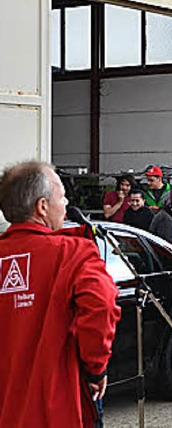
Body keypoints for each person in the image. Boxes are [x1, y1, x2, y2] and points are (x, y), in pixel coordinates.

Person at [0, 161, 121, 426]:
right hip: (53, 409)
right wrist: (95, 370)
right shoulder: (73, 252)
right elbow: (102, 306)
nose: (66, 204)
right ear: (42, 207)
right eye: (63, 196)